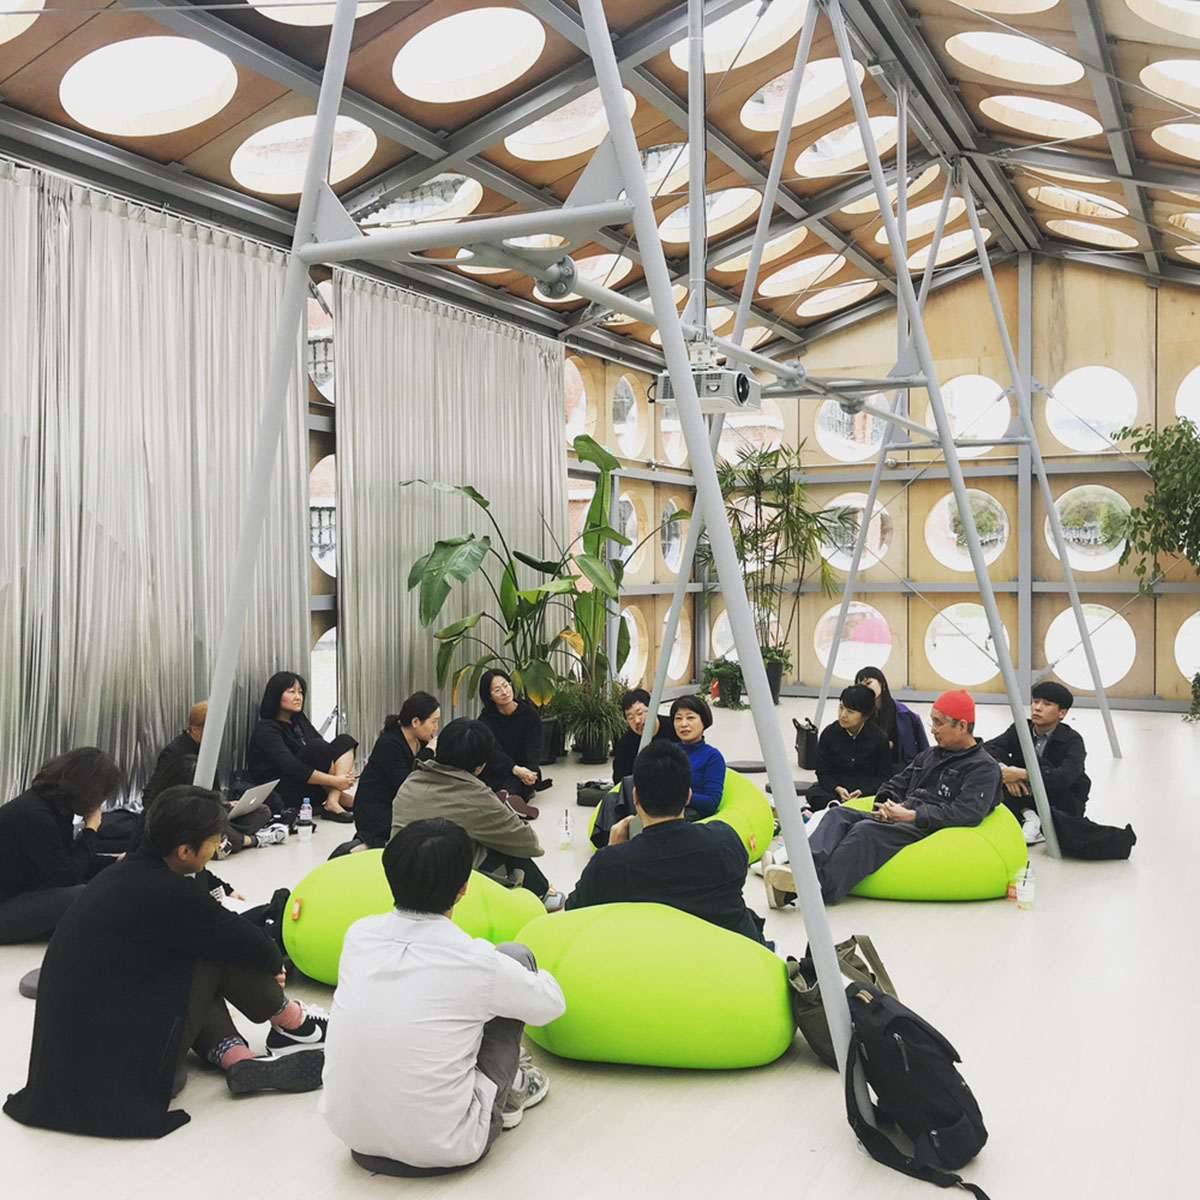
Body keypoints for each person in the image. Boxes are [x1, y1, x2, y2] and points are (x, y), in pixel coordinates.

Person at [4, 786, 327, 1138]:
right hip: (129, 1081)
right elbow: (257, 948)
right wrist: (271, 964)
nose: (218, 847)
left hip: (64, 1080)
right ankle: (293, 1024)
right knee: (212, 948)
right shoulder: (173, 894)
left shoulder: (120, 876)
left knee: (197, 946)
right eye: (215, 841)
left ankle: (235, 1055)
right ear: (185, 850)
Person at [322, 818, 564, 1176]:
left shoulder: (359, 935)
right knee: (516, 956)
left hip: (353, 1135)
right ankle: (510, 1091)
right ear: (463, 888)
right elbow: (551, 1006)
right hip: (449, 1144)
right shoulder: (476, 961)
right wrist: (509, 977)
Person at [764, 690, 1001, 907]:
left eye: (938, 723)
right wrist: (887, 801)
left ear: (961, 726)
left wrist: (913, 815)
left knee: (865, 832)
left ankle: (806, 891)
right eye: (933, 721)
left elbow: (967, 812)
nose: (932, 729)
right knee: (839, 814)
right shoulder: (931, 754)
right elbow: (897, 781)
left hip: (924, 824)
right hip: (901, 813)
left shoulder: (983, 767)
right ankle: (801, 872)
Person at [566, 741, 767, 945]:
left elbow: (573, 912)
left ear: (635, 796)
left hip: (643, 959)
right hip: (728, 957)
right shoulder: (726, 840)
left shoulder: (609, 863)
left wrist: (612, 851)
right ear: (688, 796)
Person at [392, 718, 564, 911]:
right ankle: (541, 893)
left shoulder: (411, 780)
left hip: (398, 874)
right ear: (480, 766)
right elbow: (528, 843)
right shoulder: (475, 796)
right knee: (503, 845)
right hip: (440, 887)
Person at [0, 748, 121, 944]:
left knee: (101, 882)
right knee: (81, 893)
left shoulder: (53, 807)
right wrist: (91, 830)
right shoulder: (36, 815)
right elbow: (68, 877)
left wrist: (116, 861)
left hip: (22, 891)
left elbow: (68, 860)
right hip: (6, 904)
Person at [982, 680, 1090, 845]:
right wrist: (1007, 773)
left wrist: (1023, 774)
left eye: (1047, 704)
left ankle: (1030, 818)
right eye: (1035, 701)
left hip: (1059, 799)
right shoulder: (1020, 728)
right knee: (991, 765)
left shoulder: (1072, 740)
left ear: (1062, 713)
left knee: (1043, 766)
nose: (1037, 708)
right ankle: (1029, 814)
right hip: (1024, 791)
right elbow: (987, 748)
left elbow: (1064, 778)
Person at [246, 670, 358, 822]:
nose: (298, 697)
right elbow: (292, 767)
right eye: (291, 692)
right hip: (284, 792)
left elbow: (327, 750)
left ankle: (333, 800)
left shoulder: (299, 720)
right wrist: (337, 781)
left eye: (300, 692)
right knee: (317, 748)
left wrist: (341, 776)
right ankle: (339, 797)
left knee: (344, 741)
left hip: (310, 786)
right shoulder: (266, 729)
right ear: (276, 695)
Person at [354, 692, 440, 849]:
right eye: (433, 722)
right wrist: (428, 752)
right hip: (376, 810)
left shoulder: (420, 741)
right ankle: (361, 846)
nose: (436, 727)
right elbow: (406, 784)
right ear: (415, 722)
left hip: (399, 804)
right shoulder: (389, 743)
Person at [806, 684, 894, 811]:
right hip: (836, 789)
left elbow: (883, 776)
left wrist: (863, 791)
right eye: (841, 708)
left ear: (865, 715)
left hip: (863, 790)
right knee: (813, 793)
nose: (843, 715)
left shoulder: (879, 738)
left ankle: (838, 808)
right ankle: (838, 806)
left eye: (850, 711)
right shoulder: (830, 733)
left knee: (883, 798)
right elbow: (822, 772)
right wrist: (837, 788)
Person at [477, 669, 543, 819]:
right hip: (498, 768)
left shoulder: (529, 714)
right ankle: (511, 799)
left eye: (506, 686)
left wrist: (530, 772)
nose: (504, 692)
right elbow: (494, 752)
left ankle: (505, 797)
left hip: (524, 767)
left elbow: (534, 748)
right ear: (489, 696)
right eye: (497, 690)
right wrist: (513, 768)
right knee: (493, 777)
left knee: (526, 777)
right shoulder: (485, 720)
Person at [855, 666, 929, 767]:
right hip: (868, 770)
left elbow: (924, 748)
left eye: (868, 683)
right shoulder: (857, 715)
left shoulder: (904, 713)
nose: (865, 689)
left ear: (882, 683)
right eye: (860, 686)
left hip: (900, 771)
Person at [670, 694, 724, 818]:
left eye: (690, 718)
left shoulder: (712, 756)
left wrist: (683, 797)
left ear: (703, 721)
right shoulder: (668, 750)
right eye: (678, 718)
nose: (683, 724)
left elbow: (712, 803)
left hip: (690, 814)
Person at [611, 687, 675, 784]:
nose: (637, 721)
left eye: (640, 713)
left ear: (653, 709)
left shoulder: (674, 728)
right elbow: (620, 780)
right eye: (630, 718)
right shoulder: (625, 744)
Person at [155, 701, 209, 772]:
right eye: (210, 728)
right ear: (195, 729)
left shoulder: (202, 748)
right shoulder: (173, 754)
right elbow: (159, 782)